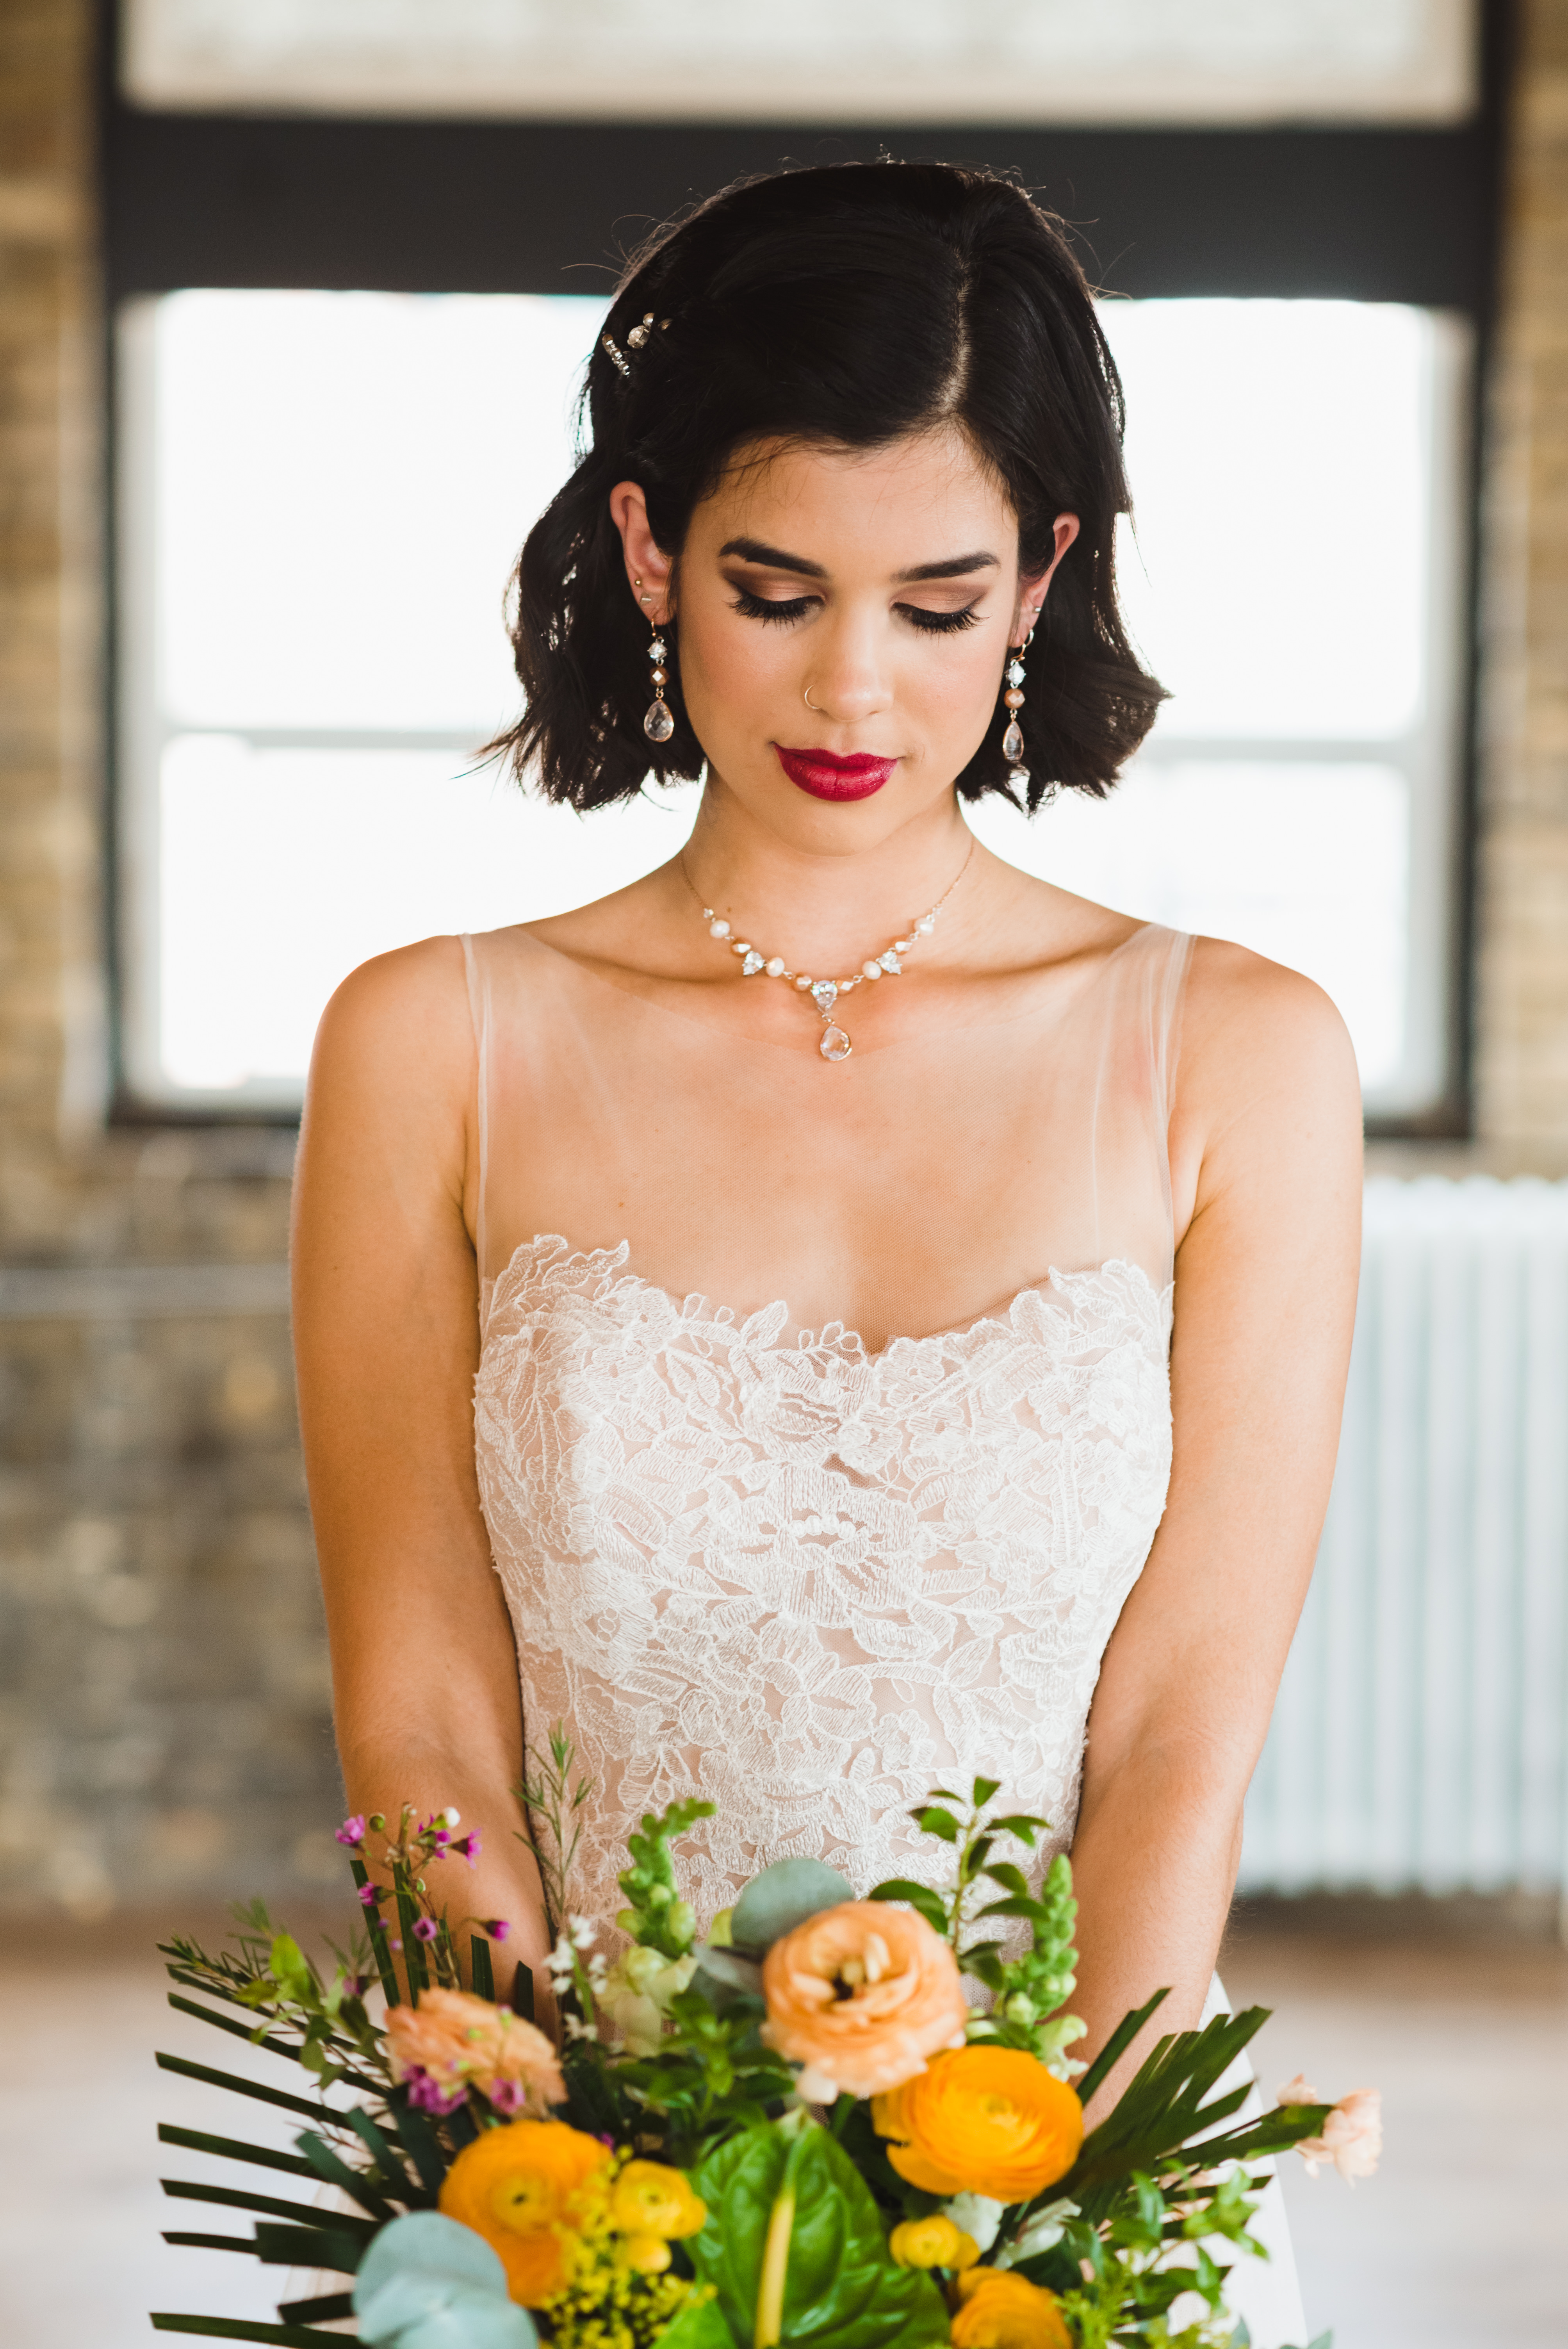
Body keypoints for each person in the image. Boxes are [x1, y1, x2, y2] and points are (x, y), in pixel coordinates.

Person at [291, 162, 1361, 2344]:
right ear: (646, 551)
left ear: (1047, 578)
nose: (853, 686)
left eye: (940, 601)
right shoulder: (432, 1042)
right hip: (573, 2208)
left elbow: (1175, 1728)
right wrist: (545, 2194)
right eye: (774, 589)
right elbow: (419, 1709)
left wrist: (1070, 2190)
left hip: (1044, 2194)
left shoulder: (1240, 1055)